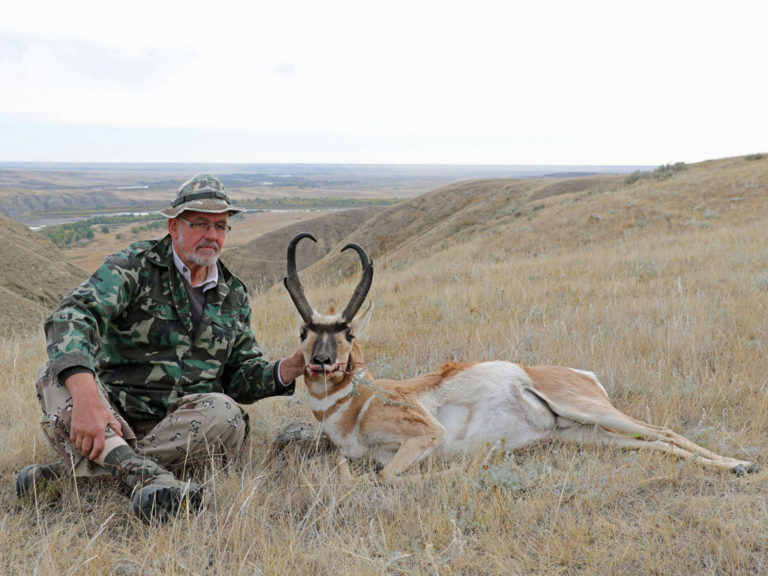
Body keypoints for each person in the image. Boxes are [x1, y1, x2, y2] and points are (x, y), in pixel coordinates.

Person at [16, 174, 306, 521]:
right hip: (112, 416)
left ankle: (90, 471)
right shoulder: (134, 267)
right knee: (55, 374)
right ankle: (151, 480)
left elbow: (240, 377)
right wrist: (87, 397)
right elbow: (72, 315)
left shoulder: (234, 294)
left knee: (226, 413)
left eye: (220, 226)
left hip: (181, 427)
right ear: (174, 226)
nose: (211, 235)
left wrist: (292, 366)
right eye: (199, 223)